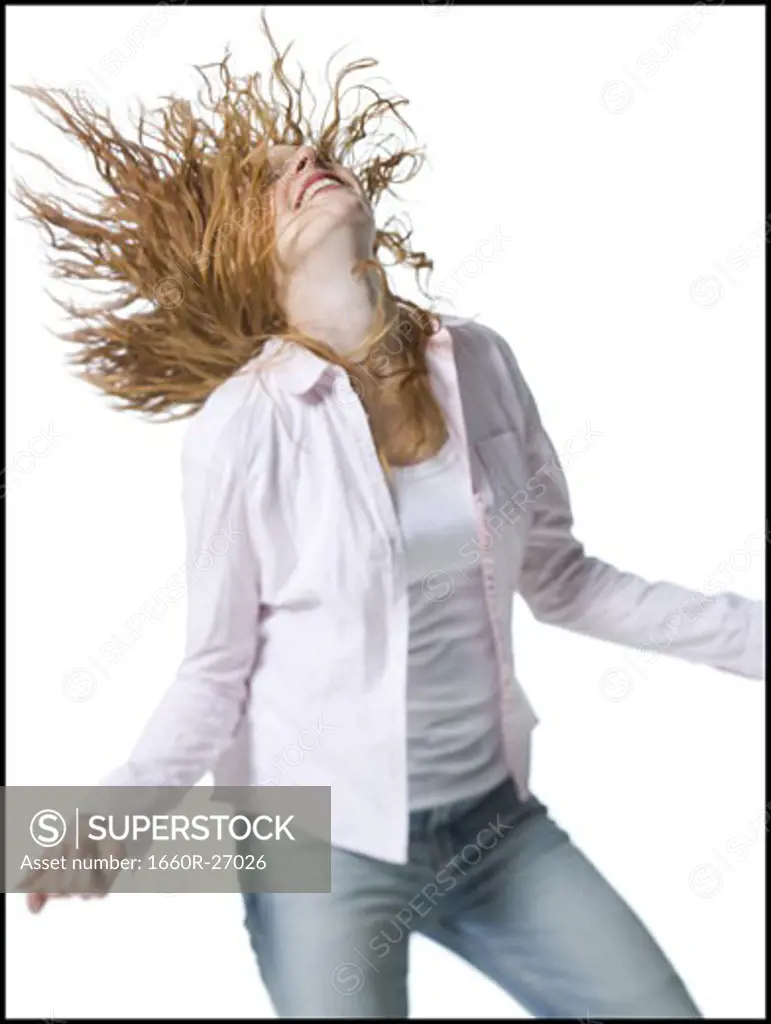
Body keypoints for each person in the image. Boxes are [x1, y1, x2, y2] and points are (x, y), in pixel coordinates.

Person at [15, 16, 762, 1019]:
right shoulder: (243, 428)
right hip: (319, 846)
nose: (308, 163)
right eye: (271, 178)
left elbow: (566, 580)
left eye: (313, 155)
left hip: (492, 826)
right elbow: (216, 667)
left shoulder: (482, 364)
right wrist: (106, 822)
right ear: (247, 255)